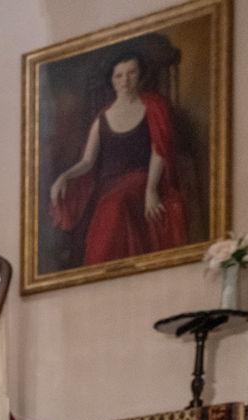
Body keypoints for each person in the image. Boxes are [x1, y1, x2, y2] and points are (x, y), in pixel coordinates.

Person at [46, 50, 189, 268]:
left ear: (140, 75)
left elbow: (159, 150)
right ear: (112, 80)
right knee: (103, 210)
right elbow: (87, 161)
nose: (125, 80)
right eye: (119, 75)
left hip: (142, 180)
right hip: (108, 186)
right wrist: (63, 177)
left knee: (115, 204)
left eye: (131, 73)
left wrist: (151, 189)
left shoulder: (153, 107)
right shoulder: (102, 118)